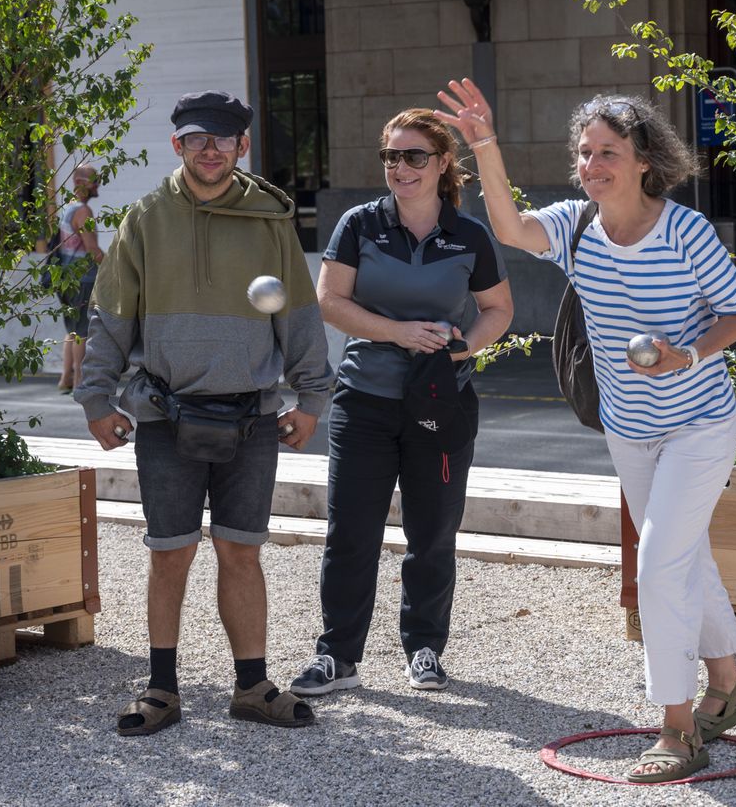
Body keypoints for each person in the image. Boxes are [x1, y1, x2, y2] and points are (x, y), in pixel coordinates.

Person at [435, 79, 736, 783]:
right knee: (682, 555)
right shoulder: (576, 226)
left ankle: (677, 728)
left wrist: (688, 354)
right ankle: (728, 686)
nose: (592, 164)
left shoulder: (685, 231)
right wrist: (483, 145)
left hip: (698, 425)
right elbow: (511, 229)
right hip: (627, 428)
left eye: (607, 152)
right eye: (584, 153)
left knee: (659, 565)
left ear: (644, 159)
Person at [75, 90, 334, 735]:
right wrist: (96, 398)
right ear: (178, 145)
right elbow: (110, 317)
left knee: (241, 552)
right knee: (170, 552)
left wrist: (312, 398)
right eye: (198, 138)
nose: (211, 149)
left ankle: (251, 686)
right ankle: (162, 690)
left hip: (251, 416)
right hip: (165, 414)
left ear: (242, 145)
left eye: (223, 139)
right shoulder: (145, 218)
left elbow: (298, 314)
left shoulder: (272, 216)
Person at [289, 108, 513, 697]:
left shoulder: (470, 235)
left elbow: (499, 310)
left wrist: (463, 349)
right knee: (350, 531)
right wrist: (398, 333)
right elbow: (329, 301)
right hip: (364, 400)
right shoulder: (359, 225)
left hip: (442, 402)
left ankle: (424, 651)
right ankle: (338, 656)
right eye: (392, 156)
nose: (401, 168)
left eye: (415, 156)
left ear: (442, 164)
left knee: (433, 533)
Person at [56, 163, 104, 393]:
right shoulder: (84, 212)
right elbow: (93, 249)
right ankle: (79, 383)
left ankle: (65, 379)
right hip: (83, 279)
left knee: (72, 330)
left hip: (65, 278)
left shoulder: (67, 207)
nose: (97, 185)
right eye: (95, 180)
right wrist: (114, 267)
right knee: (83, 332)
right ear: (79, 183)